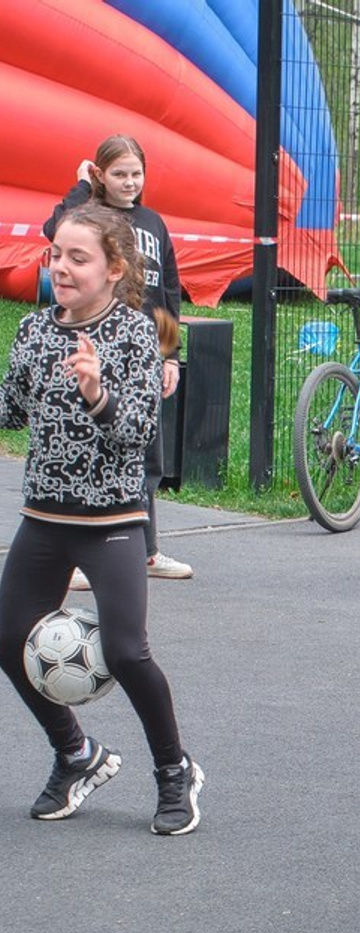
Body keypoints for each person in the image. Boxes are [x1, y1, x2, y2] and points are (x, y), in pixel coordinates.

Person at [0, 205, 204, 834]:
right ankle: (77, 754)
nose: (61, 266)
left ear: (115, 269)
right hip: (44, 515)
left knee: (124, 650)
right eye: (56, 254)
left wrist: (97, 392)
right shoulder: (34, 331)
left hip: (113, 519)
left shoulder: (135, 334)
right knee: (8, 639)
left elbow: (138, 433)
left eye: (78, 257)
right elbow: (8, 411)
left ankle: (175, 771)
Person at [44, 134, 194, 584]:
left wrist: (170, 355)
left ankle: (145, 552)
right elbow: (54, 229)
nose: (129, 182)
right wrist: (79, 186)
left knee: (147, 455)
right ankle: (74, 558)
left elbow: (168, 291)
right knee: (90, 448)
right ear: (101, 176)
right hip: (99, 348)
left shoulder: (154, 222)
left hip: (146, 351)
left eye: (136, 173)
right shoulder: (89, 217)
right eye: (119, 174)